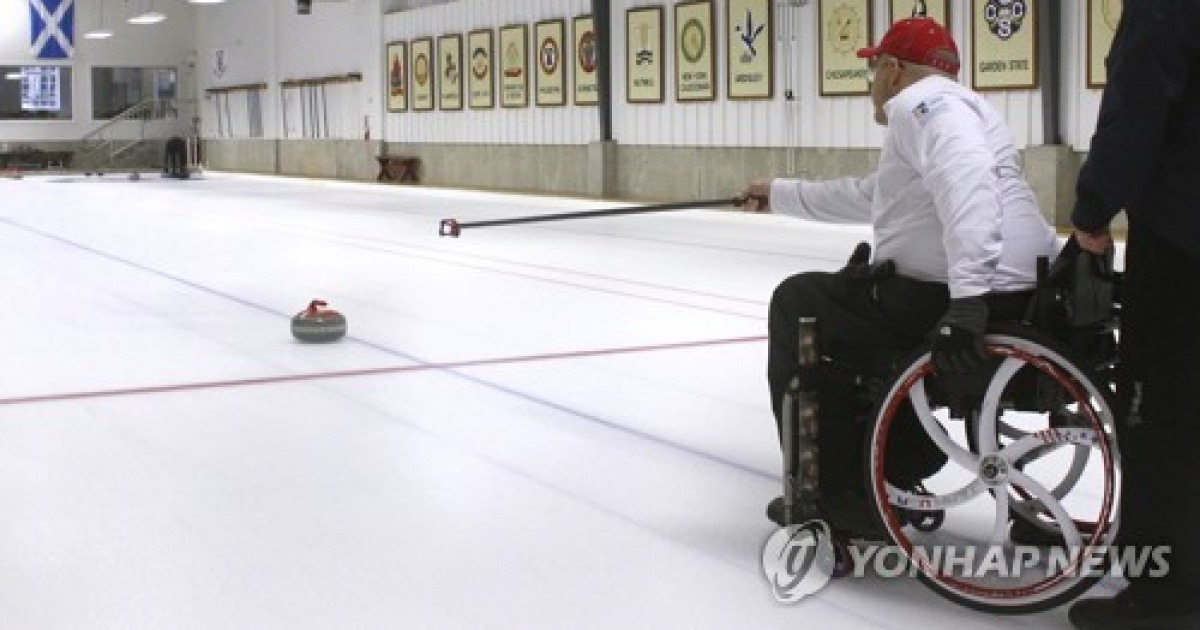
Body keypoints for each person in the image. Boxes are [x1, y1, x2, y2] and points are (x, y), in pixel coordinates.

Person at [739, 18, 1059, 530]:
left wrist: (969, 300)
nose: (872, 84)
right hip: (1023, 290)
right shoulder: (969, 108)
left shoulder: (923, 104)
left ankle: (834, 491)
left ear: (891, 70)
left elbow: (967, 179)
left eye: (873, 69)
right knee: (850, 296)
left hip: (961, 297)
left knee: (797, 301)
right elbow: (874, 197)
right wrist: (777, 193)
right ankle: (893, 464)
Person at [1066, 1, 1200, 628]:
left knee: (1162, 413)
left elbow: (1139, 105)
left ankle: (1164, 596)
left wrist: (1093, 208)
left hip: (1182, 239)